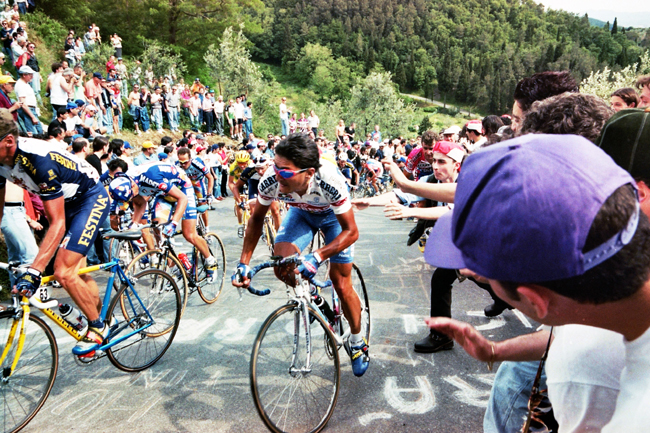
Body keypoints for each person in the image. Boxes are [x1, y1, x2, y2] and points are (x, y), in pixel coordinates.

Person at [425, 132, 650, 433]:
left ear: (534, 301)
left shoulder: (628, 415)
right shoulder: (616, 301)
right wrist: (495, 351)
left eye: (484, 276)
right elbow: (578, 329)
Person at [232, 134, 370, 377]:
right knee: (282, 266)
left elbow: (352, 232)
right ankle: (313, 294)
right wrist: (243, 264)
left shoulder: (328, 180)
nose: (277, 174)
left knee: (340, 282)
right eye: (275, 167)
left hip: (333, 219)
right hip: (301, 214)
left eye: (285, 171)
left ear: (309, 172)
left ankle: (358, 342)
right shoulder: (270, 180)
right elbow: (255, 220)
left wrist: (317, 256)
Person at [0, 108, 112, 358]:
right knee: (76, 272)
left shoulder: (38, 160)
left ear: (8, 141)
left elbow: (58, 223)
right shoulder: (2, 159)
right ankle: (102, 315)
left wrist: (34, 271)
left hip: (89, 199)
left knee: (62, 270)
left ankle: (98, 327)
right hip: (64, 201)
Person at [176, 147, 214, 230]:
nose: (183, 165)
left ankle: (206, 228)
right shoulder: (176, 165)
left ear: (190, 159)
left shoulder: (197, 163)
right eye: (181, 162)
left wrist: (209, 194)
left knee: (202, 204)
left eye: (185, 162)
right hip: (186, 184)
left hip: (197, 183)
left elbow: (210, 178)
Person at [228, 150, 253, 237]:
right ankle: (240, 224)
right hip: (238, 183)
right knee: (239, 204)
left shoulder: (251, 164)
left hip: (250, 181)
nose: (242, 165)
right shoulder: (233, 166)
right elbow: (230, 182)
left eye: (244, 163)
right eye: (239, 163)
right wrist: (237, 196)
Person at [14, 65, 42, 135]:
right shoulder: (20, 85)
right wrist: (32, 117)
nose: (32, 76)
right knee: (33, 133)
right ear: (24, 75)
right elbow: (23, 104)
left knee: (40, 131)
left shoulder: (26, 84)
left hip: (32, 109)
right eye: (30, 75)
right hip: (27, 110)